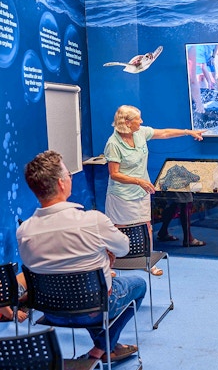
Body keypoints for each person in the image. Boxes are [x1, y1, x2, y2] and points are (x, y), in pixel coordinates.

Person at [16, 150, 146, 362]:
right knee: (139, 285)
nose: (71, 178)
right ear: (61, 183)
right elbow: (124, 248)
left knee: (85, 294)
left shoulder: (24, 232)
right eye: (69, 174)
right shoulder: (94, 221)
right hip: (93, 309)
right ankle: (101, 351)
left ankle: (105, 348)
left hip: (51, 312)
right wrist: (105, 255)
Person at [104, 105, 205, 275]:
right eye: (138, 119)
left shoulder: (141, 132)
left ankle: (149, 262)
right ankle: (109, 266)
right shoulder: (113, 143)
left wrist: (188, 132)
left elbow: (164, 133)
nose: (142, 122)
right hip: (121, 195)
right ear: (128, 123)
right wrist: (138, 181)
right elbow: (114, 174)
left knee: (147, 227)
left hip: (141, 192)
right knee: (116, 229)